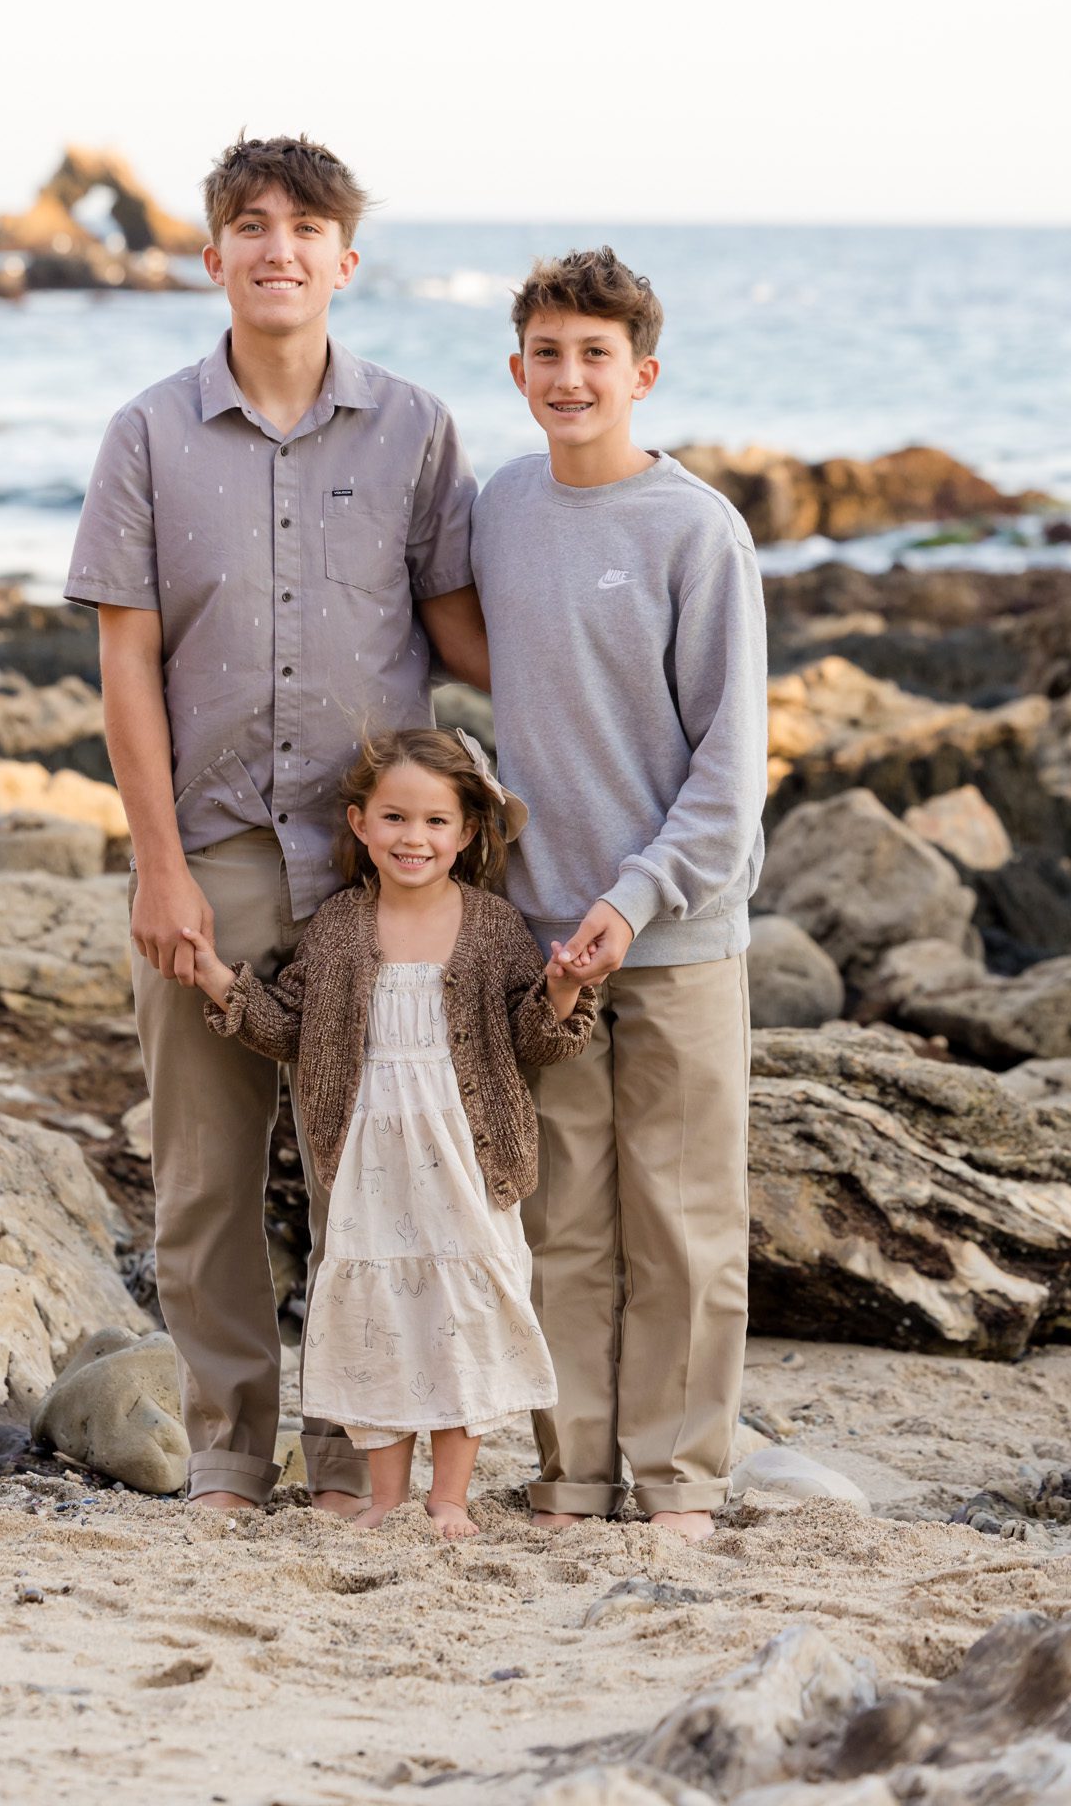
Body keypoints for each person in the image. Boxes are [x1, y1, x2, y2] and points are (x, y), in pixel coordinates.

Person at [63, 135, 490, 1513]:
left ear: (344, 261)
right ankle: (235, 1458)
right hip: (220, 853)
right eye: (251, 223)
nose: (279, 246)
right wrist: (159, 867)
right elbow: (128, 665)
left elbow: (471, 632)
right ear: (214, 257)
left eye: (307, 226)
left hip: (378, 874)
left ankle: (358, 1456)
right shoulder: (145, 432)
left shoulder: (419, 430)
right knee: (205, 1179)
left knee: (379, 1174)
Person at [471, 247, 768, 1542]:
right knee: (563, 1224)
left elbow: (731, 759)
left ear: (642, 373)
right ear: (518, 370)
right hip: (544, 940)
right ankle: (574, 1476)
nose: (571, 375)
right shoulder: (497, 509)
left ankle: (681, 1483)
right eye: (548, 353)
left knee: (687, 1226)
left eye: (597, 355)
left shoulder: (695, 529)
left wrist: (638, 899)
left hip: (678, 935)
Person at [180, 728, 596, 1537]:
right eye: (396, 818)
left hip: (466, 1159)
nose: (415, 838)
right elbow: (291, 1027)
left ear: (468, 833)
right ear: (360, 824)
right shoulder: (338, 926)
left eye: (437, 822)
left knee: (461, 1306)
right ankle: (385, 1496)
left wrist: (556, 991)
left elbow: (531, 1043)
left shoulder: (493, 927)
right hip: (372, 1156)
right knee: (377, 1313)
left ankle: (448, 1497)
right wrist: (215, 976)